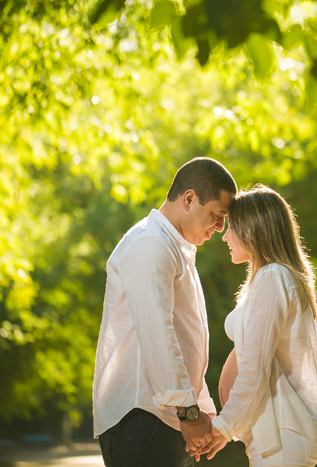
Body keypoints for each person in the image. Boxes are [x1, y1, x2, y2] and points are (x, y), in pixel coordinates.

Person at [92, 157, 237, 467]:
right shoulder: (150, 244)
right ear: (189, 199)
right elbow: (158, 333)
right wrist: (188, 411)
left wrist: (202, 408)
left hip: (164, 416)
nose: (221, 227)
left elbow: (185, 340)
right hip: (143, 418)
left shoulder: (175, 247)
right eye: (216, 215)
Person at [200, 185, 317, 466]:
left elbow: (255, 370)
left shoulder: (272, 277)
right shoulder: (273, 277)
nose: (225, 236)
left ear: (254, 228)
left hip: (283, 430)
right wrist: (232, 427)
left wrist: (222, 427)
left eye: (233, 227)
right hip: (277, 431)